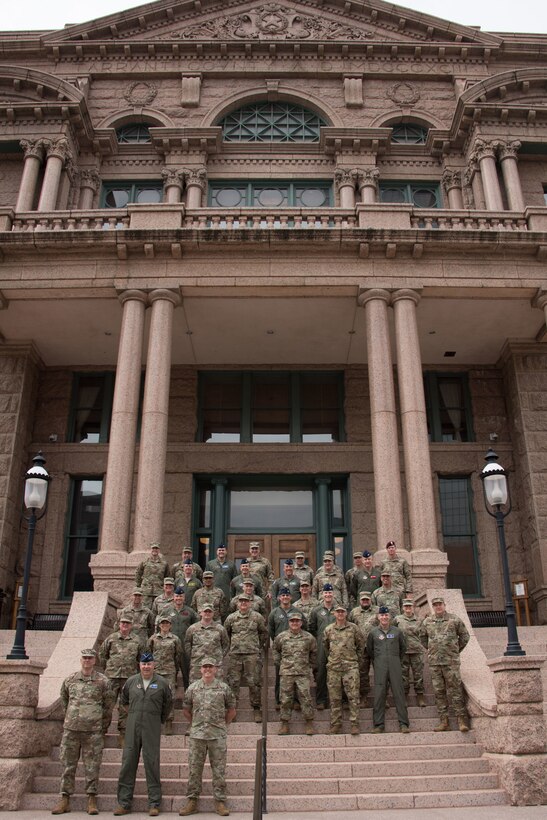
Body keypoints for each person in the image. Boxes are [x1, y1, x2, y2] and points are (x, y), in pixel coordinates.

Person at [51, 648, 114, 816]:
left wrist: (102, 726)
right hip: (71, 730)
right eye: (84, 658)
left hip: (93, 731)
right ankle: (65, 798)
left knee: (92, 766)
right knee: (67, 765)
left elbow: (108, 706)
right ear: (81, 660)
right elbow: (65, 700)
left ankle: (91, 798)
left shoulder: (103, 681)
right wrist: (72, 717)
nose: (87, 661)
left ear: (95, 661)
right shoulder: (70, 680)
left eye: (90, 658)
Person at [113, 652, 172, 817]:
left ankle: (154, 803)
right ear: (139, 665)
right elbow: (123, 701)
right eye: (143, 664)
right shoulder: (132, 682)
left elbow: (168, 704)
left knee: (152, 764)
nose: (146, 667)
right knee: (128, 764)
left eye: (149, 664)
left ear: (154, 665)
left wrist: (157, 719)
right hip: (132, 726)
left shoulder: (162, 683)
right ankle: (124, 803)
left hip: (151, 727)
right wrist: (134, 714)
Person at [179, 659, 236, 817]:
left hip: (217, 736)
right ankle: (192, 801)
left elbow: (231, 710)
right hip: (197, 736)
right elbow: (186, 710)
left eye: (210, 666)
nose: (207, 669)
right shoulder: (193, 688)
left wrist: (222, 725)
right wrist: (196, 724)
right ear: (200, 670)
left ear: (216, 669)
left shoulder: (224, 688)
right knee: (194, 769)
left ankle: (219, 801)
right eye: (205, 667)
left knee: (219, 770)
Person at [420, 595, 470, 732]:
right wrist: (432, 650)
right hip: (435, 663)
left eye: (440, 604)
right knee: (439, 692)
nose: (438, 607)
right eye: (435, 605)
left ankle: (461, 720)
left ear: (444, 605)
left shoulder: (454, 620)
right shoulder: (427, 621)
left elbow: (465, 636)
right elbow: (422, 637)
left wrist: (455, 650)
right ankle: (444, 721)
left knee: (456, 690)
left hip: (451, 662)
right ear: (433, 606)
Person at [98, 614, 142, 748]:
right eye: (123, 623)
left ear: (131, 625)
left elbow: (140, 658)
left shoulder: (137, 640)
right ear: (119, 624)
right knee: (106, 706)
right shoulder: (111, 639)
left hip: (129, 678)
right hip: (112, 677)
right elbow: (102, 655)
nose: (125, 625)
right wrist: (109, 668)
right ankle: (102, 733)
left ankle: (123, 735)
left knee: (126, 707)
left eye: (127, 623)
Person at [224, 594, 267, 722]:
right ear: (237, 603)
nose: (243, 603)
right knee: (233, 683)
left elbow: (263, 633)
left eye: (246, 601)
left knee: (254, 682)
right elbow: (226, 634)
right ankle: (232, 709)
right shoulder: (231, 618)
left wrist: (256, 646)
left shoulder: (257, 617)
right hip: (235, 654)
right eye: (241, 601)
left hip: (252, 654)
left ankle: (256, 709)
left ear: (250, 603)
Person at [366, 606, 410, 734]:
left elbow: (403, 648)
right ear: (378, 617)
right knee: (379, 694)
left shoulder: (397, 631)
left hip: (395, 664)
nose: (384, 617)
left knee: (399, 693)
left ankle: (404, 724)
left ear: (389, 617)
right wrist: (379, 660)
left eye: (386, 615)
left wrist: (395, 659)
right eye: (381, 615)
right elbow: (370, 650)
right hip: (380, 665)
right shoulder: (373, 633)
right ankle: (378, 725)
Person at [273, 611, 317, 736]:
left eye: (297, 621)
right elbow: (275, 650)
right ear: (289, 622)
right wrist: (279, 663)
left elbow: (314, 652)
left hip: (303, 673)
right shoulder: (282, 637)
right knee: (285, 699)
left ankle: (309, 722)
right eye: (292, 621)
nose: (295, 623)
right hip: (287, 672)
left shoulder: (308, 637)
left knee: (306, 698)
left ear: (301, 622)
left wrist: (310, 666)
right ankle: (285, 724)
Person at [323, 603, 364, 735]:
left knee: (353, 696)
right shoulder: (328, 629)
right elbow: (325, 648)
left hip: (350, 667)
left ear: (346, 613)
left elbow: (361, 646)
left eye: (342, 612)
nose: (340, 614)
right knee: (334, 698)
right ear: (334, 614)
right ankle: (336, 724)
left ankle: (354, 723)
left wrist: (354, 660)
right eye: (338, 612)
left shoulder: (354, 628)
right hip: (334, 668)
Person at [268, 587, 305, 707]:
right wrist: (278, 643)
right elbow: (271, 630)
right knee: (280, 675)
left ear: (291, 597)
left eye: (287, 595)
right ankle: (279, 701)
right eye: (283, 595)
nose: (285, 597)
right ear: (279, 598)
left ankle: (296, 701)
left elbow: (305, 626)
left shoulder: (297, 611)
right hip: (281, 649)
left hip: (296, 647)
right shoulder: (274, 612)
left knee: (296, 675)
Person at [147, 614, 183, 734]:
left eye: (167, 623)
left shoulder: (175, 639)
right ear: (159, 625)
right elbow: (148, 654)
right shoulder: (153, 639)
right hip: (156, 672)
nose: (164, 625)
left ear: (170, 625)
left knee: (170, 696)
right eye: (162, 623)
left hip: (169, 671)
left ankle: (168, 721)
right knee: (153, 696)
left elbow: (178, 655)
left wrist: (175, 668)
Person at [157, 586, 198, 689]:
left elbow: (196, 628)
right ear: (173, 597)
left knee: (187, 674)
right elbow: (159, 626)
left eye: (181, 596)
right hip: (170, 647)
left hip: (185, 647)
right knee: (170, 674)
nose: (178, 598)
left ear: (184, 598)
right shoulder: (166, 610)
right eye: (176, 596)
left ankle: (187, 696)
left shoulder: (190, 612)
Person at [185, 603, 230, 683]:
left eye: (209, 612)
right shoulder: (192, 628)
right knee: (195, 688)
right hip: (197, 664)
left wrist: (219, 657)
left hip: (215, 665)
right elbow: (187, 644)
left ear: (213, 613)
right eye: (205, 611)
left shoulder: (220, 629)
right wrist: (193, 656)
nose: (207, 613)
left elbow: (226, 644)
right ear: (200, 613)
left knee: (217, 688)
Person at [308, 584, 336, 709]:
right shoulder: (316, 611)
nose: (328, 595)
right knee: (321, 673)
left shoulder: (339, 610)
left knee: (338, 672)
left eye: (330, 593)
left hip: (337, 645)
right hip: (321, 645)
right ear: (322, 595)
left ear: (333, 594)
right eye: (326, 593)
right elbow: (311, 627)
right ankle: (321, 700)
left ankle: (339, 700)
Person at [394, 599, 426, 707]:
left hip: (417, 651)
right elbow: (393, 633)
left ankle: (420, 695)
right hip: (403, 652)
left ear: (413, 607)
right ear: (403, 608)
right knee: (403, 675)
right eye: (406, 607)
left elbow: (424, 635)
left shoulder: (420, 620)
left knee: (418, 675)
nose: (408, 608)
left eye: (410, 606)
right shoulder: (397, 619)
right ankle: (405, 696)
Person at [349, 590, 378, 706]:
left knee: (380, 672)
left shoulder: (377, 611)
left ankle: (383, 697)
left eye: (367, 599)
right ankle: (364, 696)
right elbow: (350, 628)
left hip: (376, 647)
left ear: (370, 600)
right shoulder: (354, 612)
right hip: (361, 648)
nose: (365, 601)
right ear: (359, 601)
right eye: (363, 600)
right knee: (362, 673)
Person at [135, 542, 170, 608]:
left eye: (156, 548)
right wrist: (138, 585)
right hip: (146, 592)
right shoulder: (144, 562)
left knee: (158, 609)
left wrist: (165, 588)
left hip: (159, 591)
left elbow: (167, 576)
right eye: (153, 548)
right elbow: (138, 573)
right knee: (145, 610)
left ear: (159, 550)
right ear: (150, 550)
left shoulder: (164, 564)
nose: (155, 550)